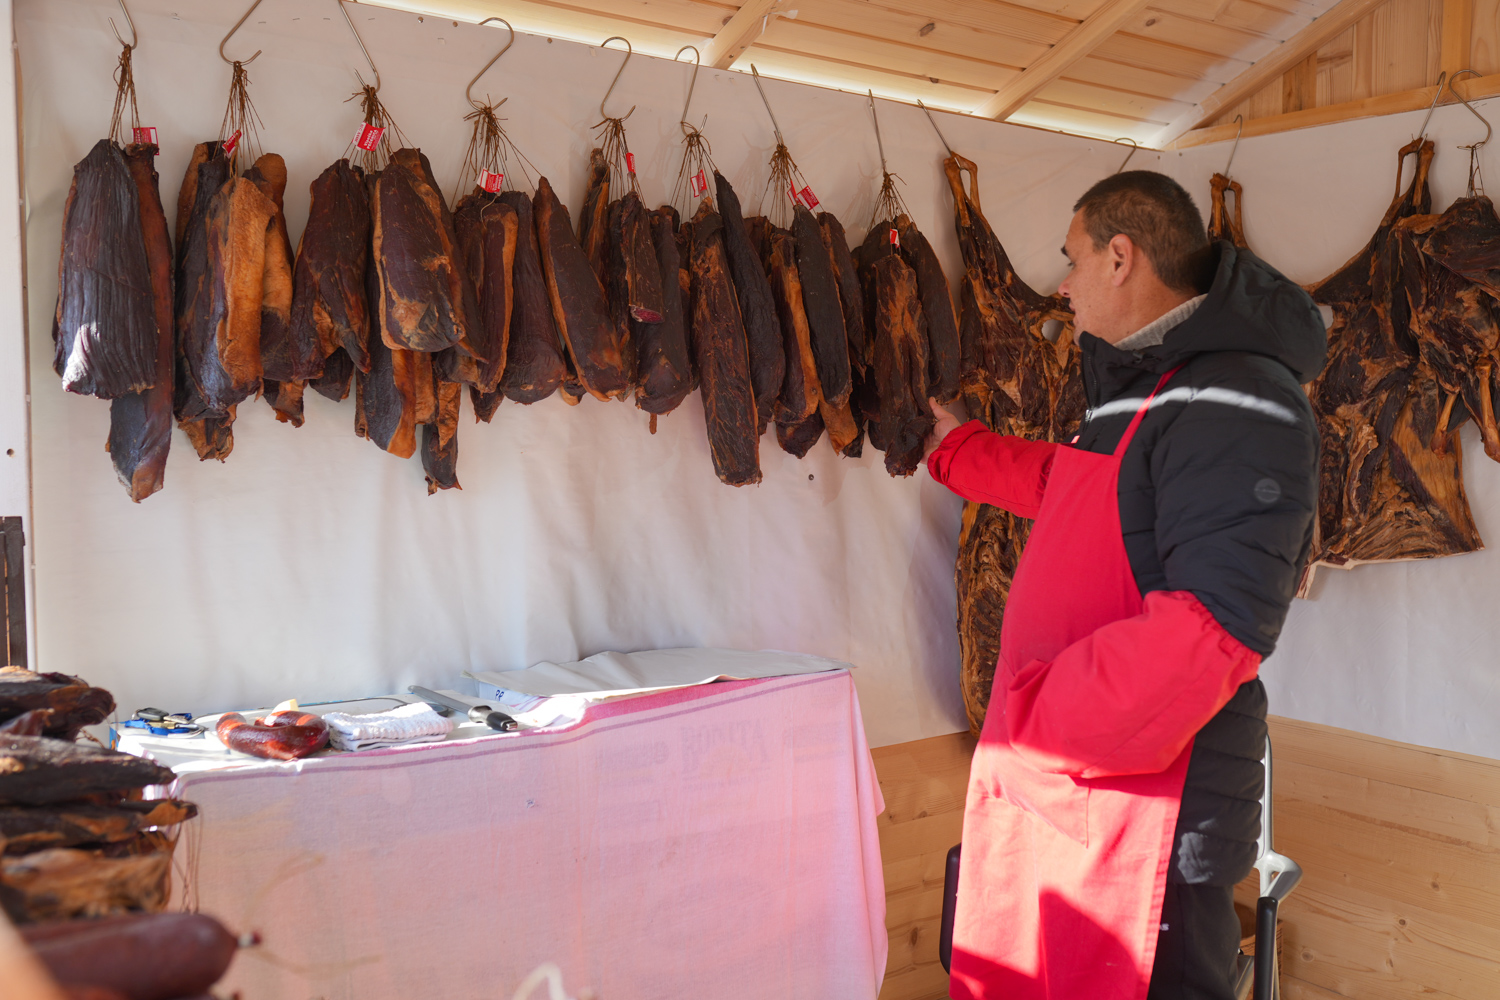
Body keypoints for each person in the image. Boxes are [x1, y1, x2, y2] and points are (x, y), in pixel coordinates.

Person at [925, 171, 1326, 1000]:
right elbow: (1076, 488)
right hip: (1084, 790)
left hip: (1143, 808)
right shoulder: (1154, 385)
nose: (1063, 286)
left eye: (1071, 261)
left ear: (1121, 256)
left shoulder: (1237, 397)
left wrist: (1036, 728)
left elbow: (1213, 630)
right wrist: (959, 452)